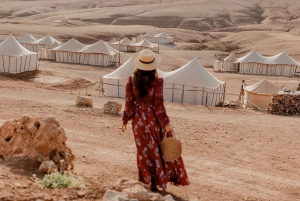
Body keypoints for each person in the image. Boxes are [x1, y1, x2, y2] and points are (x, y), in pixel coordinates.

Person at [121, 50, 190, 192]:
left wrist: (125, 120)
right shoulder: (157, 82)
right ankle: (158, 181)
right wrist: (166, 123)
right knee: (157, 150)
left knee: (143, 152)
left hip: (138, 121)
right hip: (153, 119)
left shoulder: (131, 80)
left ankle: (146, 181)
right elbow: (158, 106)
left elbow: (129, 103)